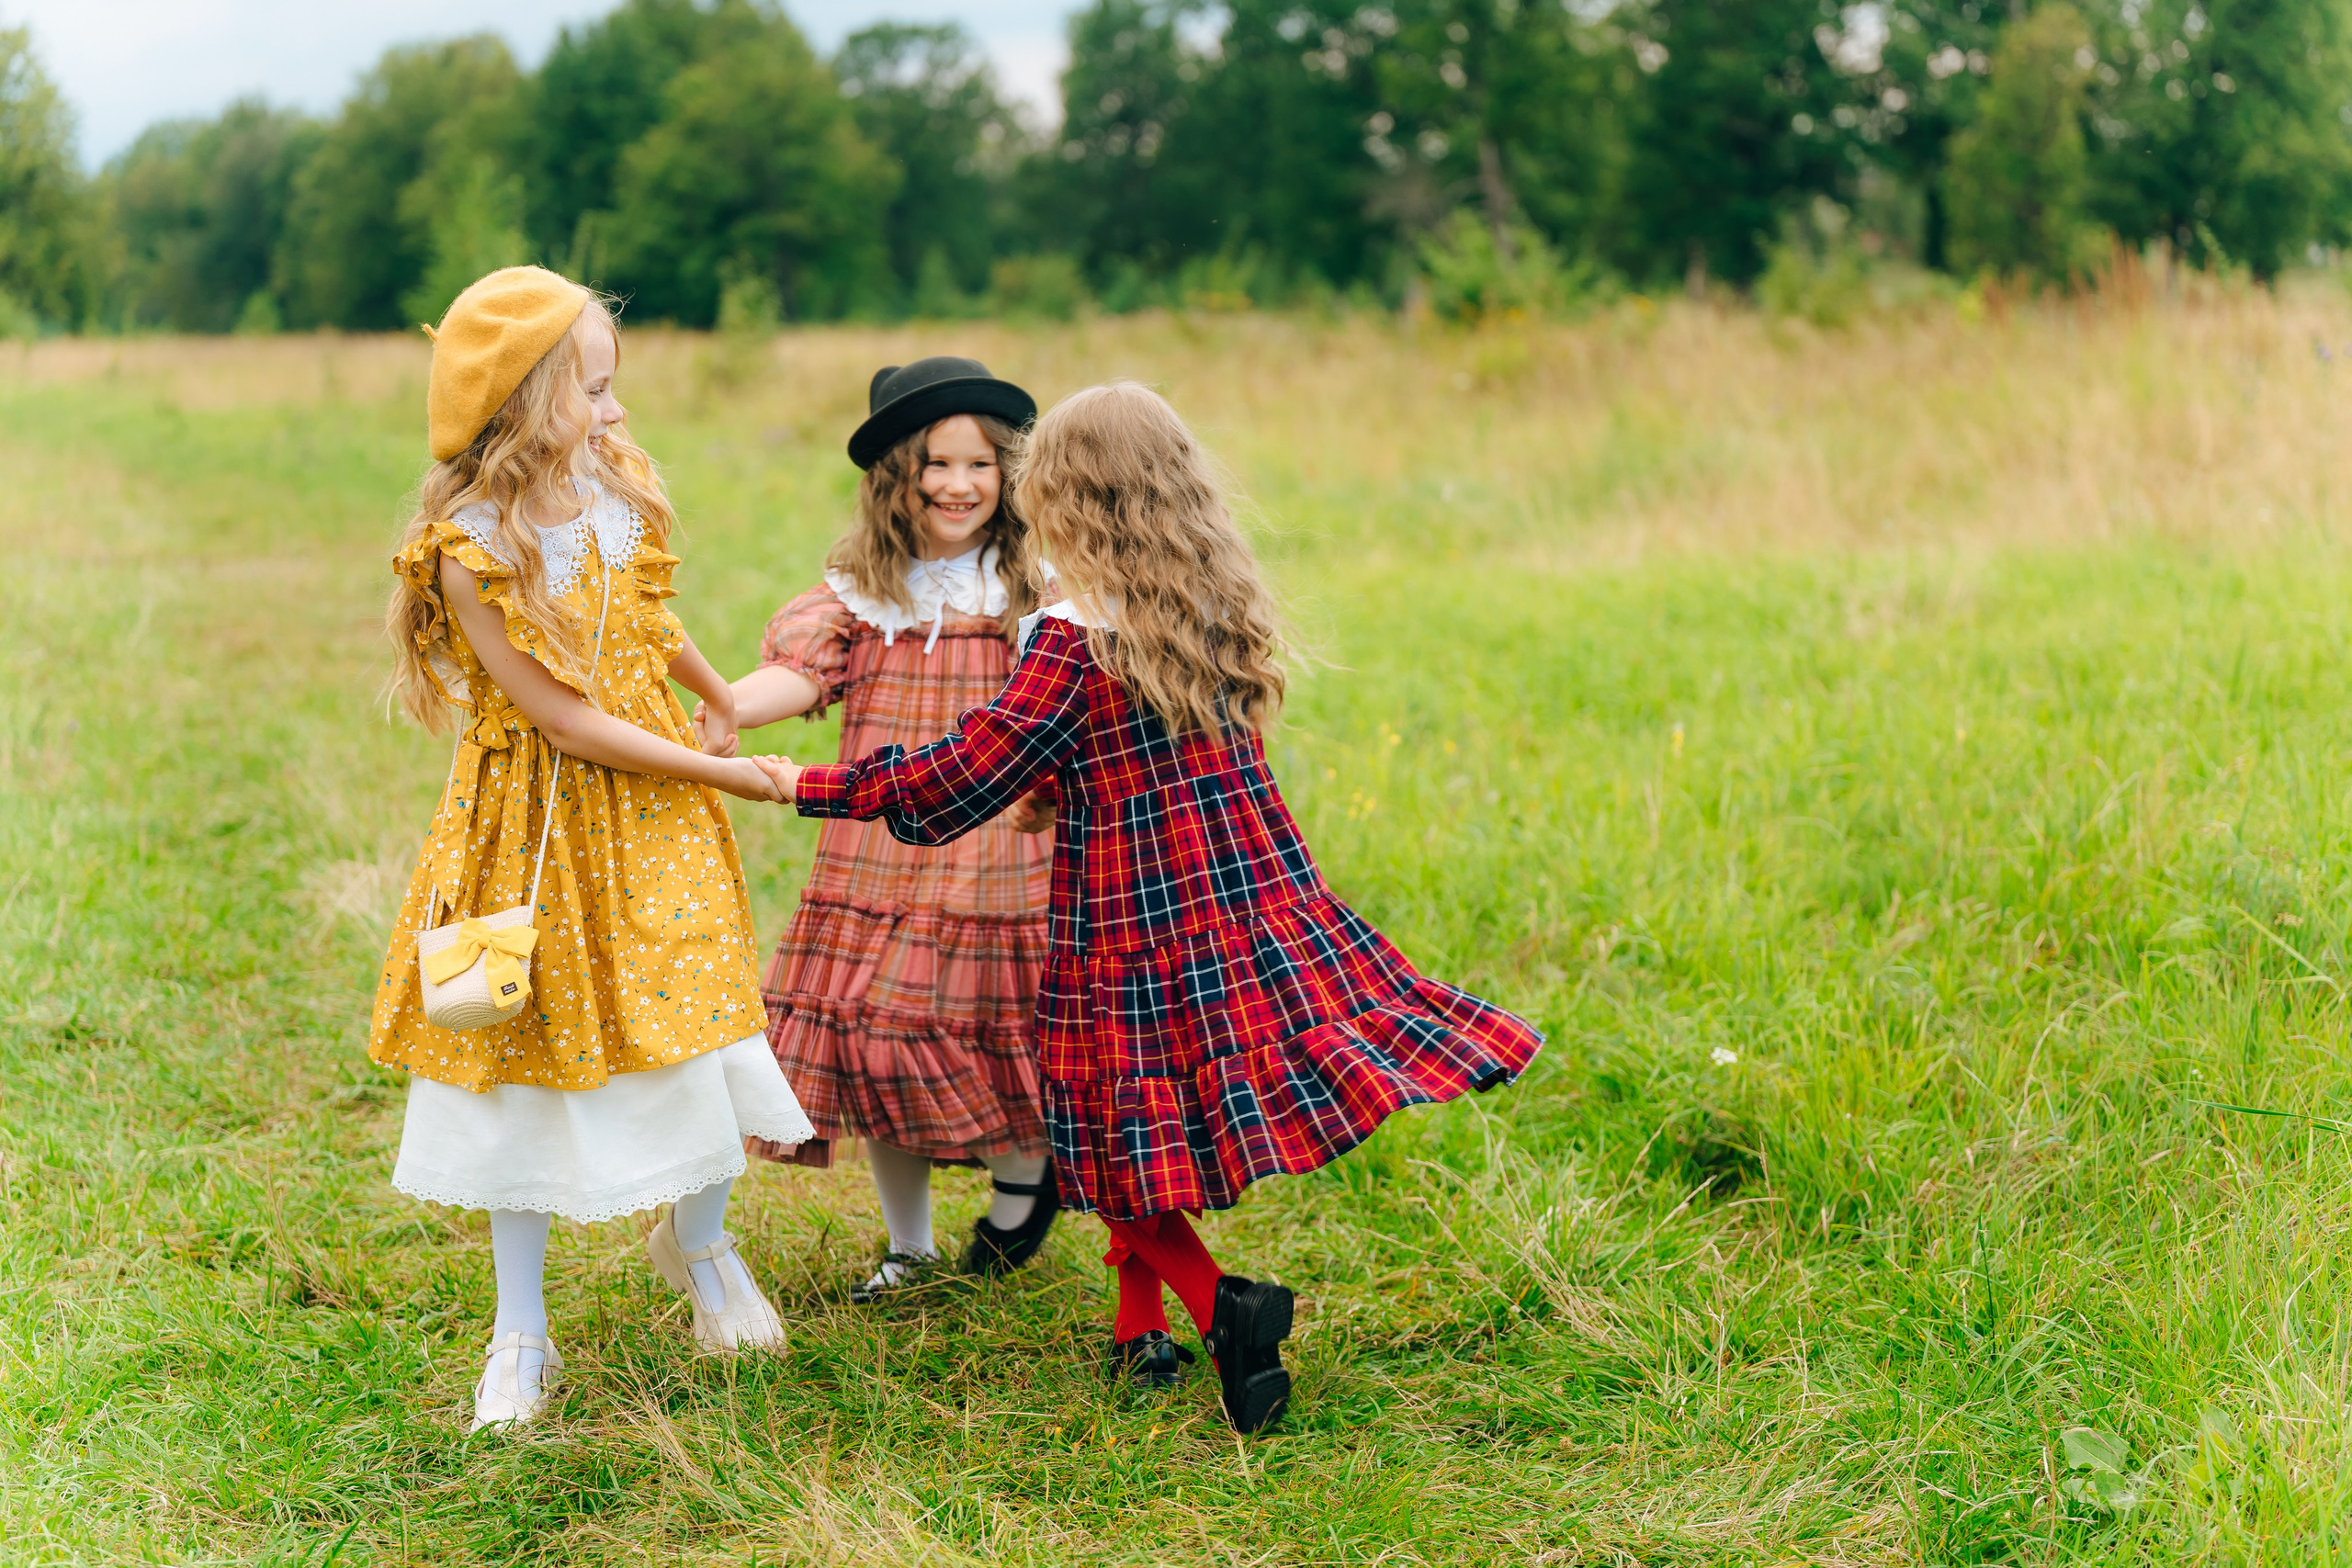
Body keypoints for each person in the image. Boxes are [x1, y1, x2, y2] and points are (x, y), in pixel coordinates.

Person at [751, 382, 1544, 1433]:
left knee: (1109, 1137)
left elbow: (960, 778)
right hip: (1240, 900)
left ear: (1068, 496)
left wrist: (795, 785)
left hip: (1128, 920)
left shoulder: (1071, 637)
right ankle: (1138, 1331)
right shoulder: (1200, 597)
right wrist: (1058, 786)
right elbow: (1123, 756)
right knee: (1141, 1127)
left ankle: (1226, 1306)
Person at [373, 265, 813, 1433]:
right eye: (594, 392)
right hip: (536, 829)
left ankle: (701, 1245)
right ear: (518, 406)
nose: (617, 414)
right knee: (519, 1053)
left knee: (698, 1014)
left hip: (654, 809)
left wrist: (715, 694)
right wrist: (731, 770)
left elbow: (643, 619)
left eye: (616, 389)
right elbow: (565, 719)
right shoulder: (469, 548)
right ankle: (522, 1329)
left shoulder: (615, 493)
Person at [701, 357, 1061, 1302]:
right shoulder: (867, 588)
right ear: (894, 480)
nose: (956, 484)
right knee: (870, 1036)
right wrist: (721, 708)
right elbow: (802, 677)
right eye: (934, 465)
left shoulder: (1030, 586)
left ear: (1007, 473)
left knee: (994, 1026)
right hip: (877, 838)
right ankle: (910, 1245)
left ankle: (1026, 1175)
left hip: (995, 842)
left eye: (979, 464)